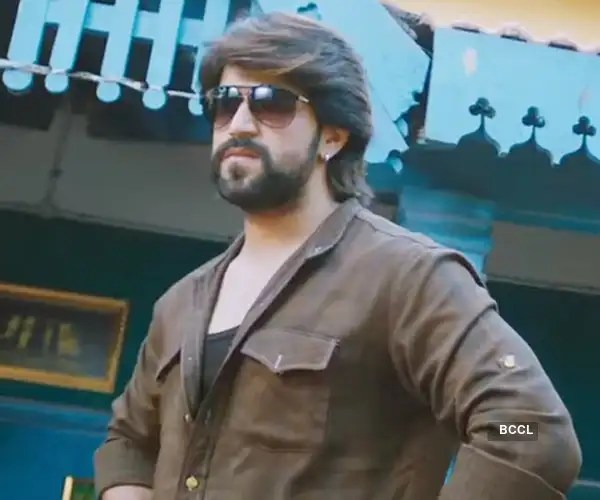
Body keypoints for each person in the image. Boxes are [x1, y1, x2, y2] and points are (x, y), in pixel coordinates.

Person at [94, 12, 581, 500]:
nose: (239, 124)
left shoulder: (408, 279)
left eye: (271, 102)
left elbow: (526, 429)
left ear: (333, 135)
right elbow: (129, 441)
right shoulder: (181, 303)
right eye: (225, 103)